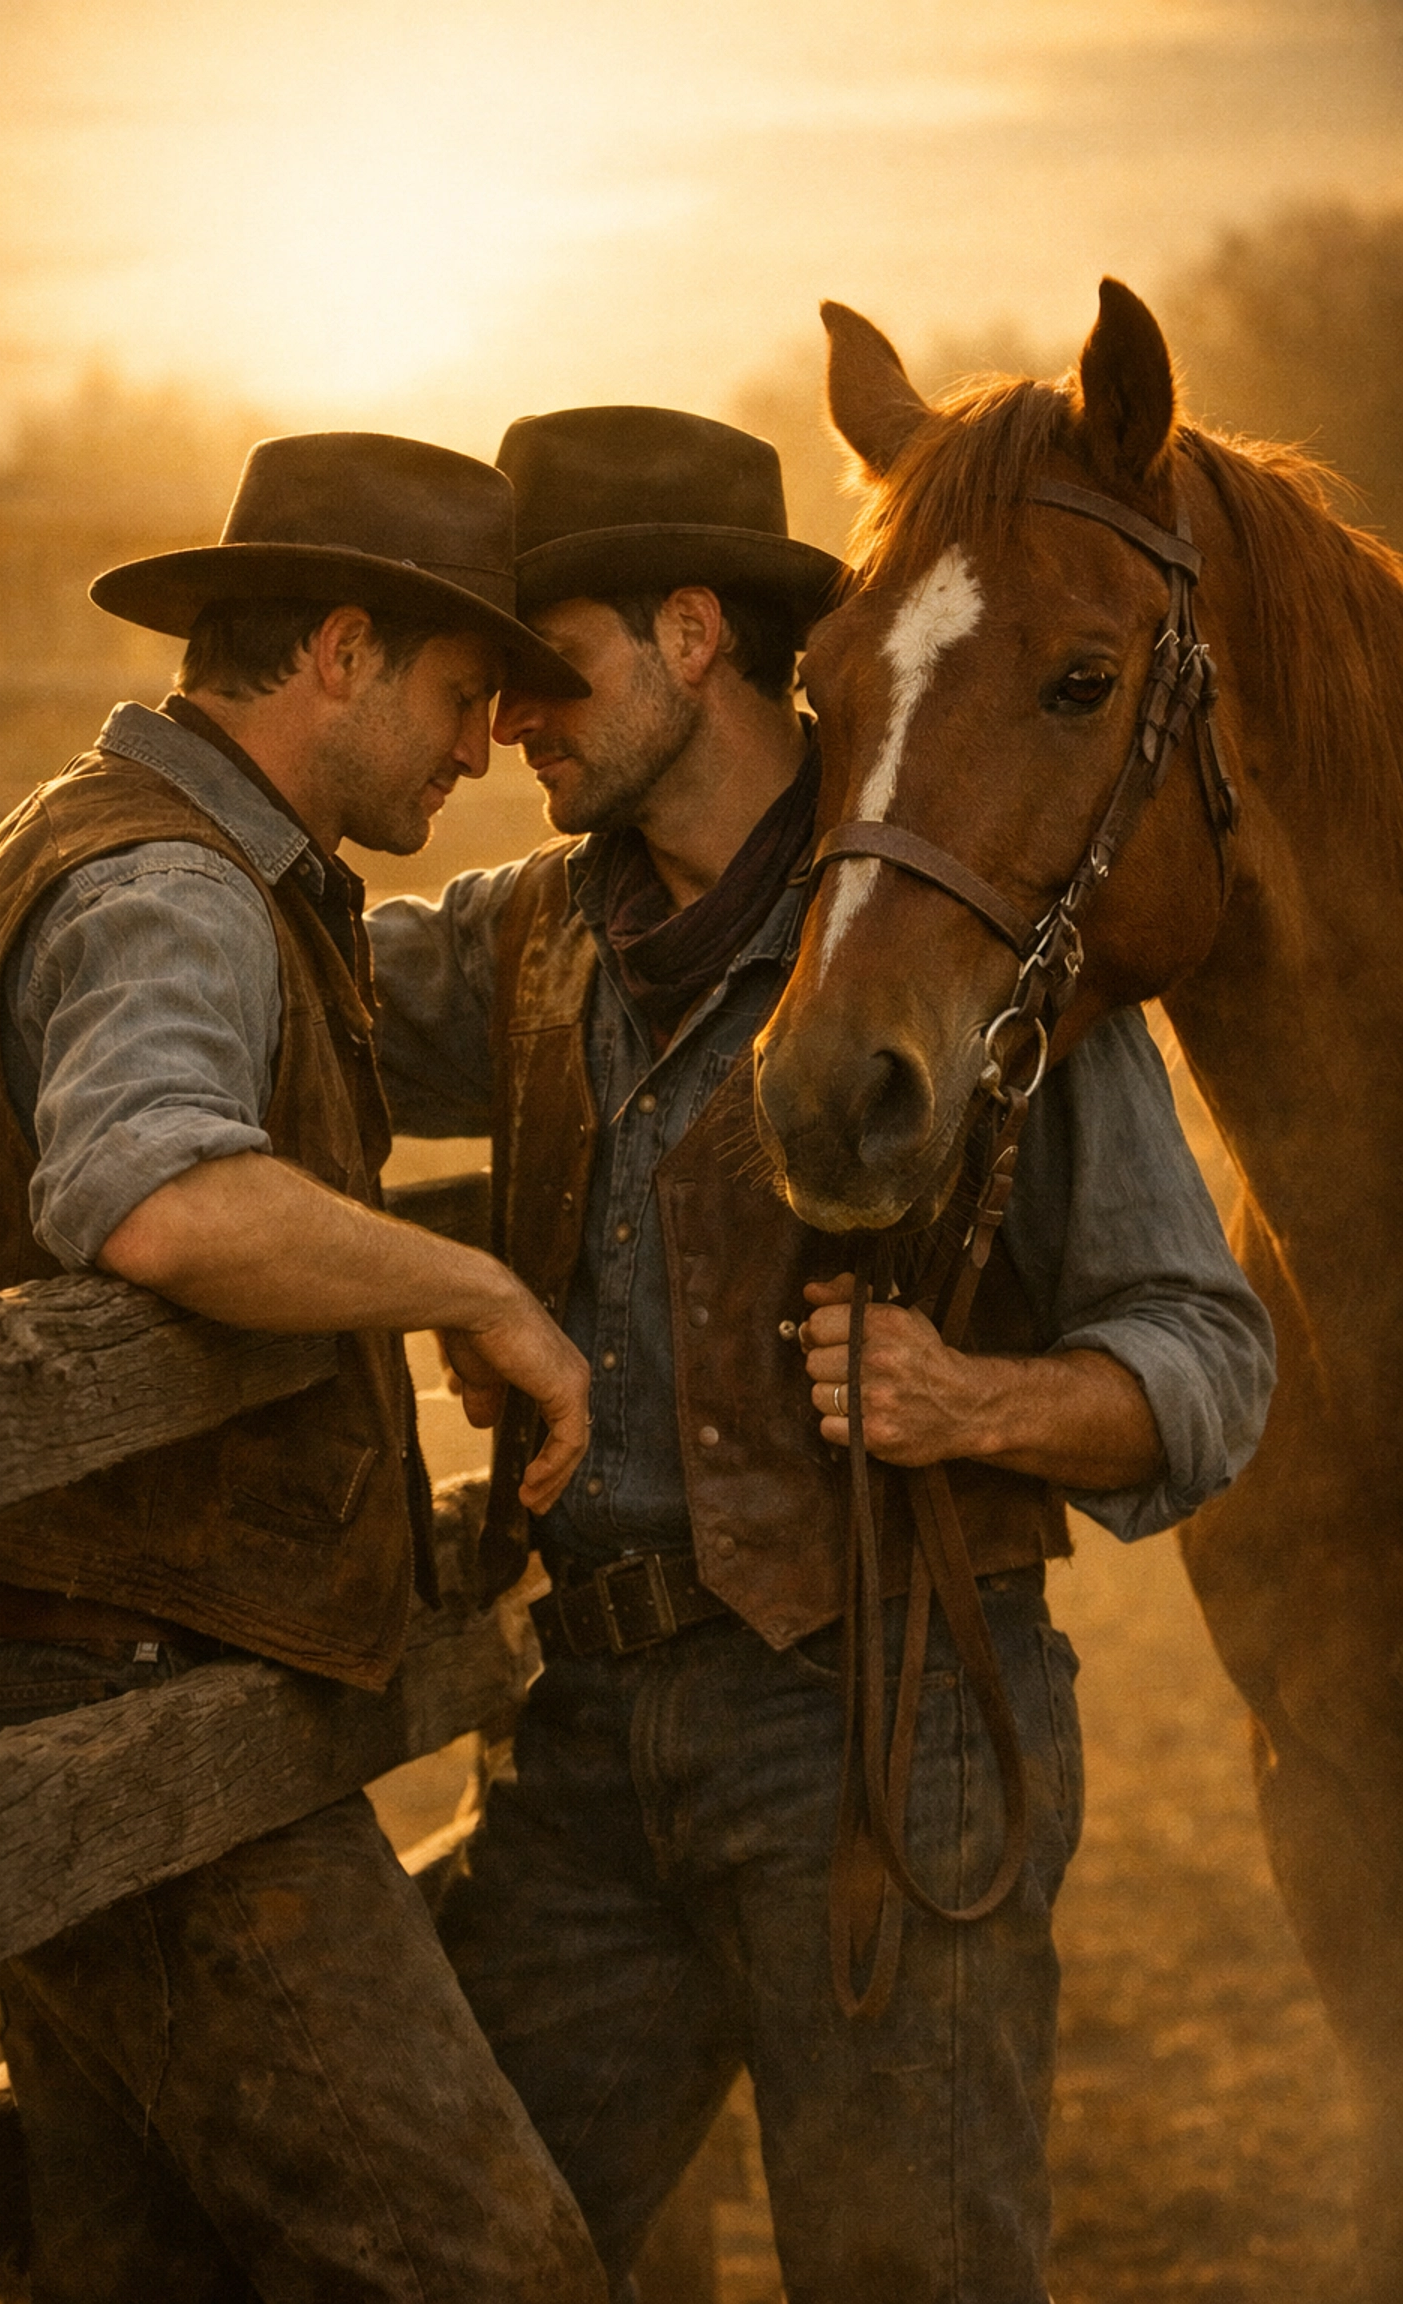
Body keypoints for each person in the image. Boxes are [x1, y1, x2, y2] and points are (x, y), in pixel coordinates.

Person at [363, 407, 1277, 2304]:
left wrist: (979, 1403)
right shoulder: (530, 941)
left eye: (551, 668)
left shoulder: (976, 931)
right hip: (591, 1744)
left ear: (694, 635)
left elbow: (1206, 1355)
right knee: (449, 2252)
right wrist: (147, 832)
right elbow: (296, 992)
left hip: (887, 1734)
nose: (510, 719)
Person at [0, 431, 609, 2304]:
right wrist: (474, 1288)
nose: (478, 748)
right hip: (129, 1706)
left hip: (73, 1672)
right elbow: (158, 1193)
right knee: (497, 2271)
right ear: (345, 651)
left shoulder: (97, 841)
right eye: (461, 696)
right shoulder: (175, 889)